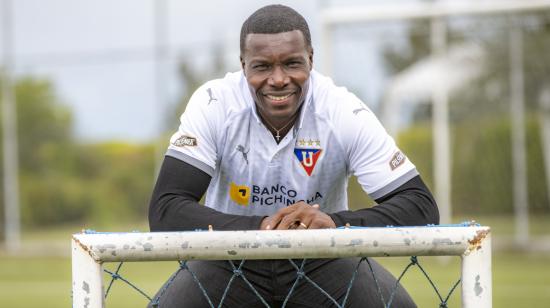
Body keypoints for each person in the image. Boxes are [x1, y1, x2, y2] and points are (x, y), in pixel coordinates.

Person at [148, 4, 438, 308]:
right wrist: (263, 229)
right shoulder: (214, 104)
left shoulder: (341, 110)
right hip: (228, 256)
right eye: (262, 66)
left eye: (292, 63)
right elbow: (166, 207)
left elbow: (420, 205)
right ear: (243, 64)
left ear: (311, 60)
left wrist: (332, 224)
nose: (278, 79)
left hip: (324, 257)